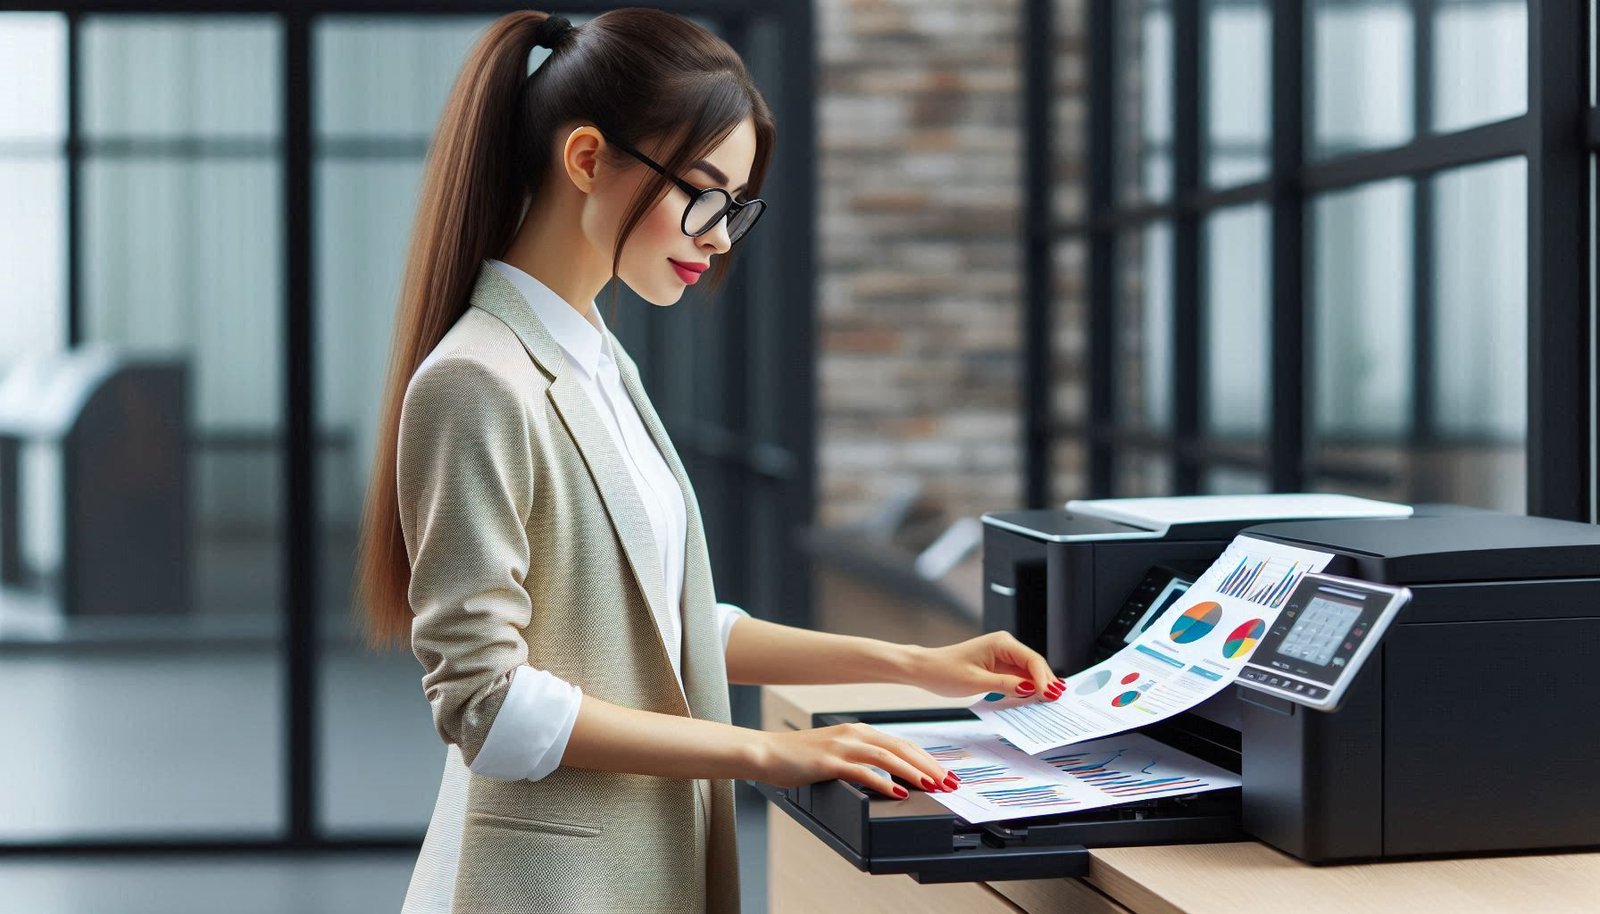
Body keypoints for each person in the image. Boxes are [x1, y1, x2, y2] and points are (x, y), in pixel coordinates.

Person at [353, 9, 1064, 913]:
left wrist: (917, 664)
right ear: (586, 160)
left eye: (735, 208)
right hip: (547, 889)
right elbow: (485, 706)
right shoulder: (478, 379)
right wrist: (770, 752)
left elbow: (675, 623)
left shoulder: (601, 363)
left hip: (641, 867)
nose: (720, 236)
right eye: (703, 194)